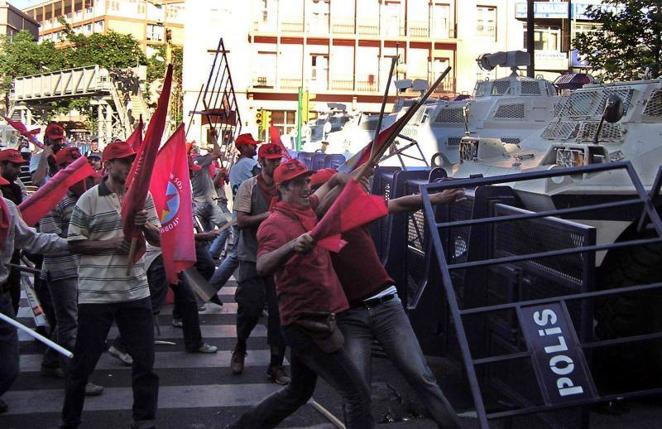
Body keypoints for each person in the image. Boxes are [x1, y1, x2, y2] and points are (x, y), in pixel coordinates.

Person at [310, 169, 464, 429]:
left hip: (385, 306)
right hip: (351, 316)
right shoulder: (309, 229)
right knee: (357, 390)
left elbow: (399, 204)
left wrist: (437, 199)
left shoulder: (352, 213)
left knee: (421, 376)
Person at [227, 159, 374, 429]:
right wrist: (292, 246)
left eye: (306, 181)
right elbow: (262, 265)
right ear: (282, 189)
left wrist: (354, 174)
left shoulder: (307, 208)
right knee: (357, 393)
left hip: (312, 318)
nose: (306, 187)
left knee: (298, 392)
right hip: (307, 323)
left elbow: (330, 183)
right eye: (297, 183)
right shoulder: (274, 224)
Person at [61, 140, 160, 429]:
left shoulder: (143, 196)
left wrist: (145, 226)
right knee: (83, 363)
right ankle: (70, 419)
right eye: (124, 161)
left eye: (132, 161)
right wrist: (110, 244)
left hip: (135, 290)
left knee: (145, 361)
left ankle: (144, 419)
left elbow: (158, 239)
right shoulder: (88, 199)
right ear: (108, 165)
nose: (130, 167)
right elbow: (74, 243)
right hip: (97, 294)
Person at [0, 164, 69, 415]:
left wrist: (72, 245)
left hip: (2, 295)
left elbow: (32, 239)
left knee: (8, 367)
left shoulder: (6, 208)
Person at [40, 147, 104, 397]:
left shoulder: (85, 198)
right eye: (84, 177)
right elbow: (47, 237)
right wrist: (80, 242)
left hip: (80, 267)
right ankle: (77, 377)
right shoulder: (52, 201)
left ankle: (50, 362)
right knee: (71, 322)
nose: (89, 181)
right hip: (60, 269)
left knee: (68, 320)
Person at [230, 143, 288, 384]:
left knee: (280, 314)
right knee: (250, 308)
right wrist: (269, 216)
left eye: (278, 160)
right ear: (261, 162)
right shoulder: (248, 187)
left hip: (279, 258)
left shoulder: (285, 187)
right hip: (252, 256)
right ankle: (240, 346)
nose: (276, 165)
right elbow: (241, 221)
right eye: (271, 161)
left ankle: (276, 364)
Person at [209, 133, 260, 295]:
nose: (255, 146)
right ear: (243, 147)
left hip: (239, 215)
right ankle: (209, 290)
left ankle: (246, 292)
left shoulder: (236, 166)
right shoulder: (250, 164)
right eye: (252, 144)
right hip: (249, 216)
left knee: (239, 256)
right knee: (239, 256)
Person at [0, 149, 28, 313]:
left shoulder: (16, 190)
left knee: (13, 299)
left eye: (20, 166)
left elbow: (20, 226)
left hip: (13, 253)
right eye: (15, 166)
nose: (18, 170)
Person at [31, 122, 66, 187]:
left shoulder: (64, 156)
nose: (58, 143)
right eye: (54, 140)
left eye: (59, 140)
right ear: (46, 139)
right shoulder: (37, 157)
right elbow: (36, 181)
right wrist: (44, 157)